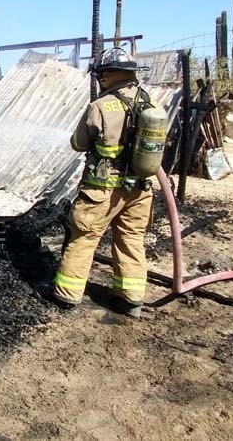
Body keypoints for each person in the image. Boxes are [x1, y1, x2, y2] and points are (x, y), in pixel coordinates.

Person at [51, 48, 154, 318]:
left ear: (108, 75)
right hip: (140, 190)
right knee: (131, 239)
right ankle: (131, 300)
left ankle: (67, 296)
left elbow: (78, 143)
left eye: (101, 75)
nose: (100, 80)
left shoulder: (100, 107)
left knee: (84, 238)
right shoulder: (150, 105)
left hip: (102, 189)